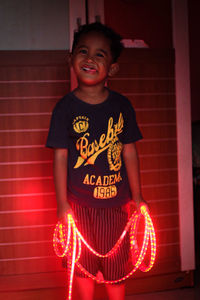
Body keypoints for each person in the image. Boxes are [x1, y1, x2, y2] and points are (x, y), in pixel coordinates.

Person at [46, 22, 147, 300]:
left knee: (116, 271)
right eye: (82, 51)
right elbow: (60, 156)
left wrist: (138, 196)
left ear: (112, 68)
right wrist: (62, 204)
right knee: (82, 270)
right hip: (79, 207)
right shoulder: (64, 108)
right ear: (71, 60)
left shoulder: (122, 106)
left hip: (116, 206)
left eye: (100, 54)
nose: (89, 59)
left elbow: (129, 151)